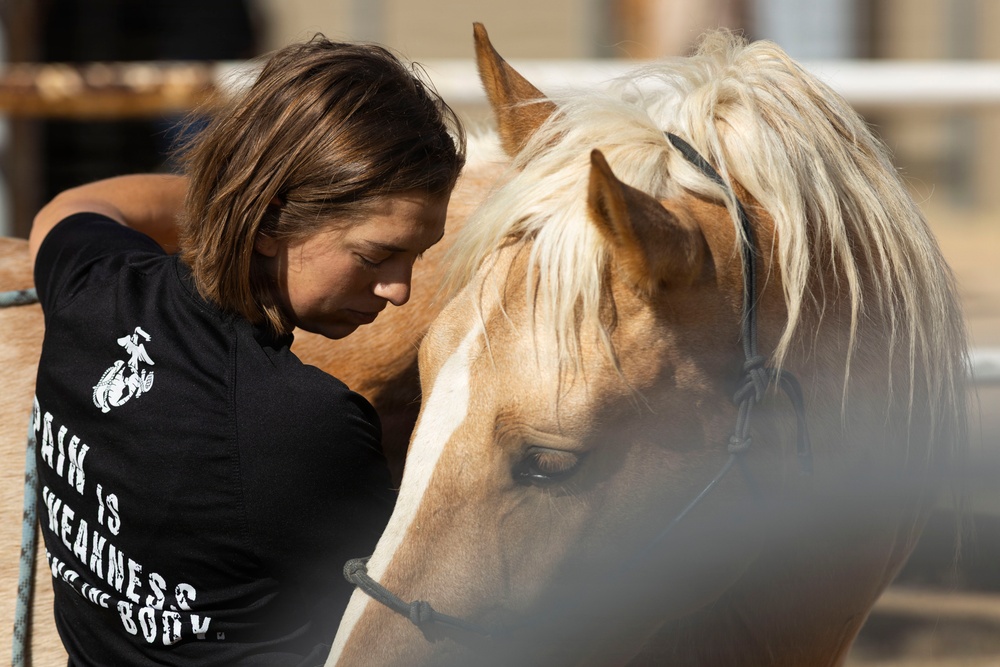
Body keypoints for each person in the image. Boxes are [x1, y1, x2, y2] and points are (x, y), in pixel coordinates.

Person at [28, 35, 465, 666]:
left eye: (416, 257)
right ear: (267, 224)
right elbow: (408, 629)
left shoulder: (92, 290)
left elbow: (75, 206)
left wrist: (224, 201)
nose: (399, 290)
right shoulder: (303, 424)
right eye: (375, 255)